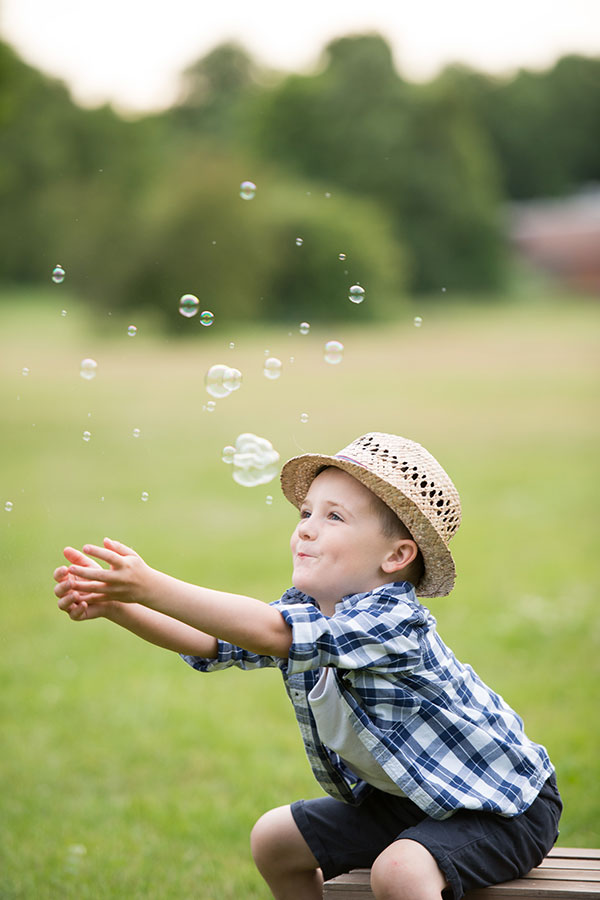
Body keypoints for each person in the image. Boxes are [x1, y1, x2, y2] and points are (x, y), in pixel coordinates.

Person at [53, 432, 562, 900]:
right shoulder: (308, 610)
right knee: (274, 839)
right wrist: (119, 606)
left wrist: (152, 585)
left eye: (334, 517)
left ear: (397, 555)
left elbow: (271, 632)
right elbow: (211, 640)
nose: (307, 531)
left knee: (400, 872)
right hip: (412, 797)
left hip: (503, 806)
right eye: (305, 514)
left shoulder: (392, 621)